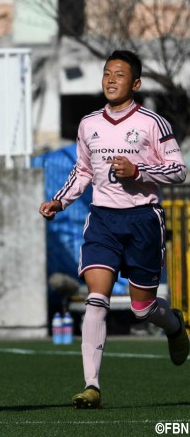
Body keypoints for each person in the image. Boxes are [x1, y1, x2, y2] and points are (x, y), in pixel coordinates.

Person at [39, 50, 189, 409]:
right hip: (103, 219)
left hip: (143, 221)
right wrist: (61, 201)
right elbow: (83, 172)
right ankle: (92, 386)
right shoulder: (89, 123)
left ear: (135, 84)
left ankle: (175, 326)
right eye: (107, 73)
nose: (110, 79)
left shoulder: (154, 123)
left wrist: (139, 171)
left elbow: (178, 171)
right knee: (96, 298)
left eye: (119, 75)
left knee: (141, 308)